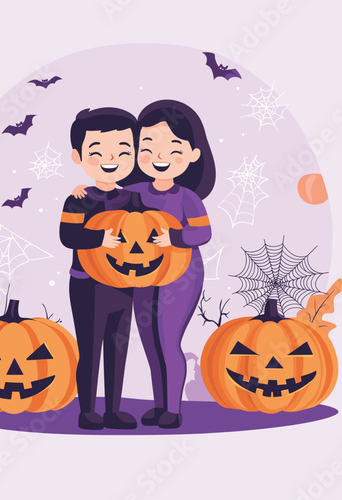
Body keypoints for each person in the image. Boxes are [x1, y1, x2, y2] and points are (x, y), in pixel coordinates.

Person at [73, 100, 215, 428]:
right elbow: (106, 198)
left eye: (173, 148)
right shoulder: (134, 190)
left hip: (180, 278)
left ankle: (174, 409)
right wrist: (83, 190)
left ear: (193, 154)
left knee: (168, 341)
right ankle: (159, 404)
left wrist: (176, 238)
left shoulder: (187, 197)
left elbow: (203, 232)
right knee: (150, 343)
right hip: (139, 277)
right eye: (148, 148)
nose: (159, 157)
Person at [59, 107, 143, 430]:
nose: (112, 159)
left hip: (123, 283)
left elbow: (146, 231)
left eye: (123, 151)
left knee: (118, 347)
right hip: (87, 285)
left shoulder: (132, 199)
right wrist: (98, 239)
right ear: (78, 156)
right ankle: (87, 411)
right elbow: (67, 236)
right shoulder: (77, 200)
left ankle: (113, 410)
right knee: (90, 348)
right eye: (98, 152)